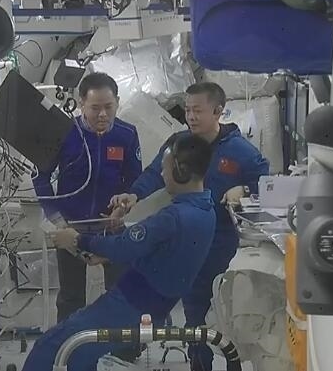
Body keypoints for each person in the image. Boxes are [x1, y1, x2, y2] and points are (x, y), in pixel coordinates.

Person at [110, 81, 270, 371]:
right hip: (189, 241)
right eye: (187, 110)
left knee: (229, 315)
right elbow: (154, 173)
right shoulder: (178, 144)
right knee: (195, 314)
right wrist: (134, 195)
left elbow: (266, 182)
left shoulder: (240, 151)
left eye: (198, 110)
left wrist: (244, 190)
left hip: (222, 244)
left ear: (218, 111)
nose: (191, 117)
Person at [22, 134, 217, 371]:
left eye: (165, 168)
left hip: (131, 304)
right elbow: (164, 252)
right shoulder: (206, 211)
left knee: (51, 346)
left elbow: (124, 247)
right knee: (82, 356)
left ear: (181, 172)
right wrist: (106, 254)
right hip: (153, 304)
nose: (162, 173)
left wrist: (77, 239)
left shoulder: (173, 217)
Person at [32, 72, 143, 322]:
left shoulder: (126, 134)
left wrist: (122, 207)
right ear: (81, 104)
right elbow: (40, 176)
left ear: (117, 103)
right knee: (70, 297)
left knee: (119, 292)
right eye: (95, 108)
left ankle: (119, 343)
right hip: (71, 226)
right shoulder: (65, 132)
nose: (102, 114)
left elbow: (134, 179)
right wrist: (56, 218)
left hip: (110, 226)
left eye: (108, 107)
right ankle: (66, 344)